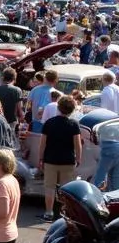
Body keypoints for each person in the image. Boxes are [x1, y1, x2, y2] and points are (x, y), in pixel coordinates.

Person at [38, 94, 82, 222]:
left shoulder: (49, 123)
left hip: (50, 159)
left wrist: (40, 158)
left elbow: (42, 144)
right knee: (66, 189)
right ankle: (64, 212)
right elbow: (77, 145)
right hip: (67, 160)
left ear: (58, 107)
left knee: (50, 187)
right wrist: (78, 158)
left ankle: (48, 212)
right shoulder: (74, 124)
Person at [0, 66, 24, 132]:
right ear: (14, 78)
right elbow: (20, 108)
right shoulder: (17, 90)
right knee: (9, 139)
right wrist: (22, 118)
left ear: (3, 77)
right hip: (11, 121)